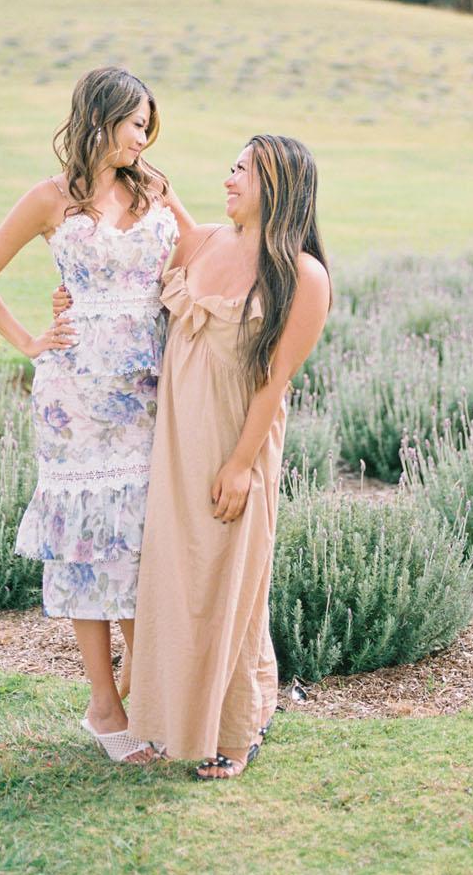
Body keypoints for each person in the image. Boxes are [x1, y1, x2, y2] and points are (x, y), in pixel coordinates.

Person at [0, 66, 187, 764]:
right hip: (75, 399)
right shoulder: (48, 199)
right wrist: (32, 341)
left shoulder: (156, 189)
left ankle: (152, 698)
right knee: (90, 550)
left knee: (141, 551)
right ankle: (106, 706)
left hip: (147, 393)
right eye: (135, 124)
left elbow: (197, 250)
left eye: (149, 127)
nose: (143, 139)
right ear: (100, 117)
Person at [125, 134, 330, 779]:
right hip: (177, 440)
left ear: (279, 183)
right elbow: (148, 240)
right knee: (177, 575)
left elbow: (276, 380)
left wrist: (242, 464)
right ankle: (173, 721)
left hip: (236, 443)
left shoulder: (302, 274)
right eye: (233, 166)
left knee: (231, 583)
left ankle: (235, 733)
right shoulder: (206, 241)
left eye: (243, 168)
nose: (230, 177)